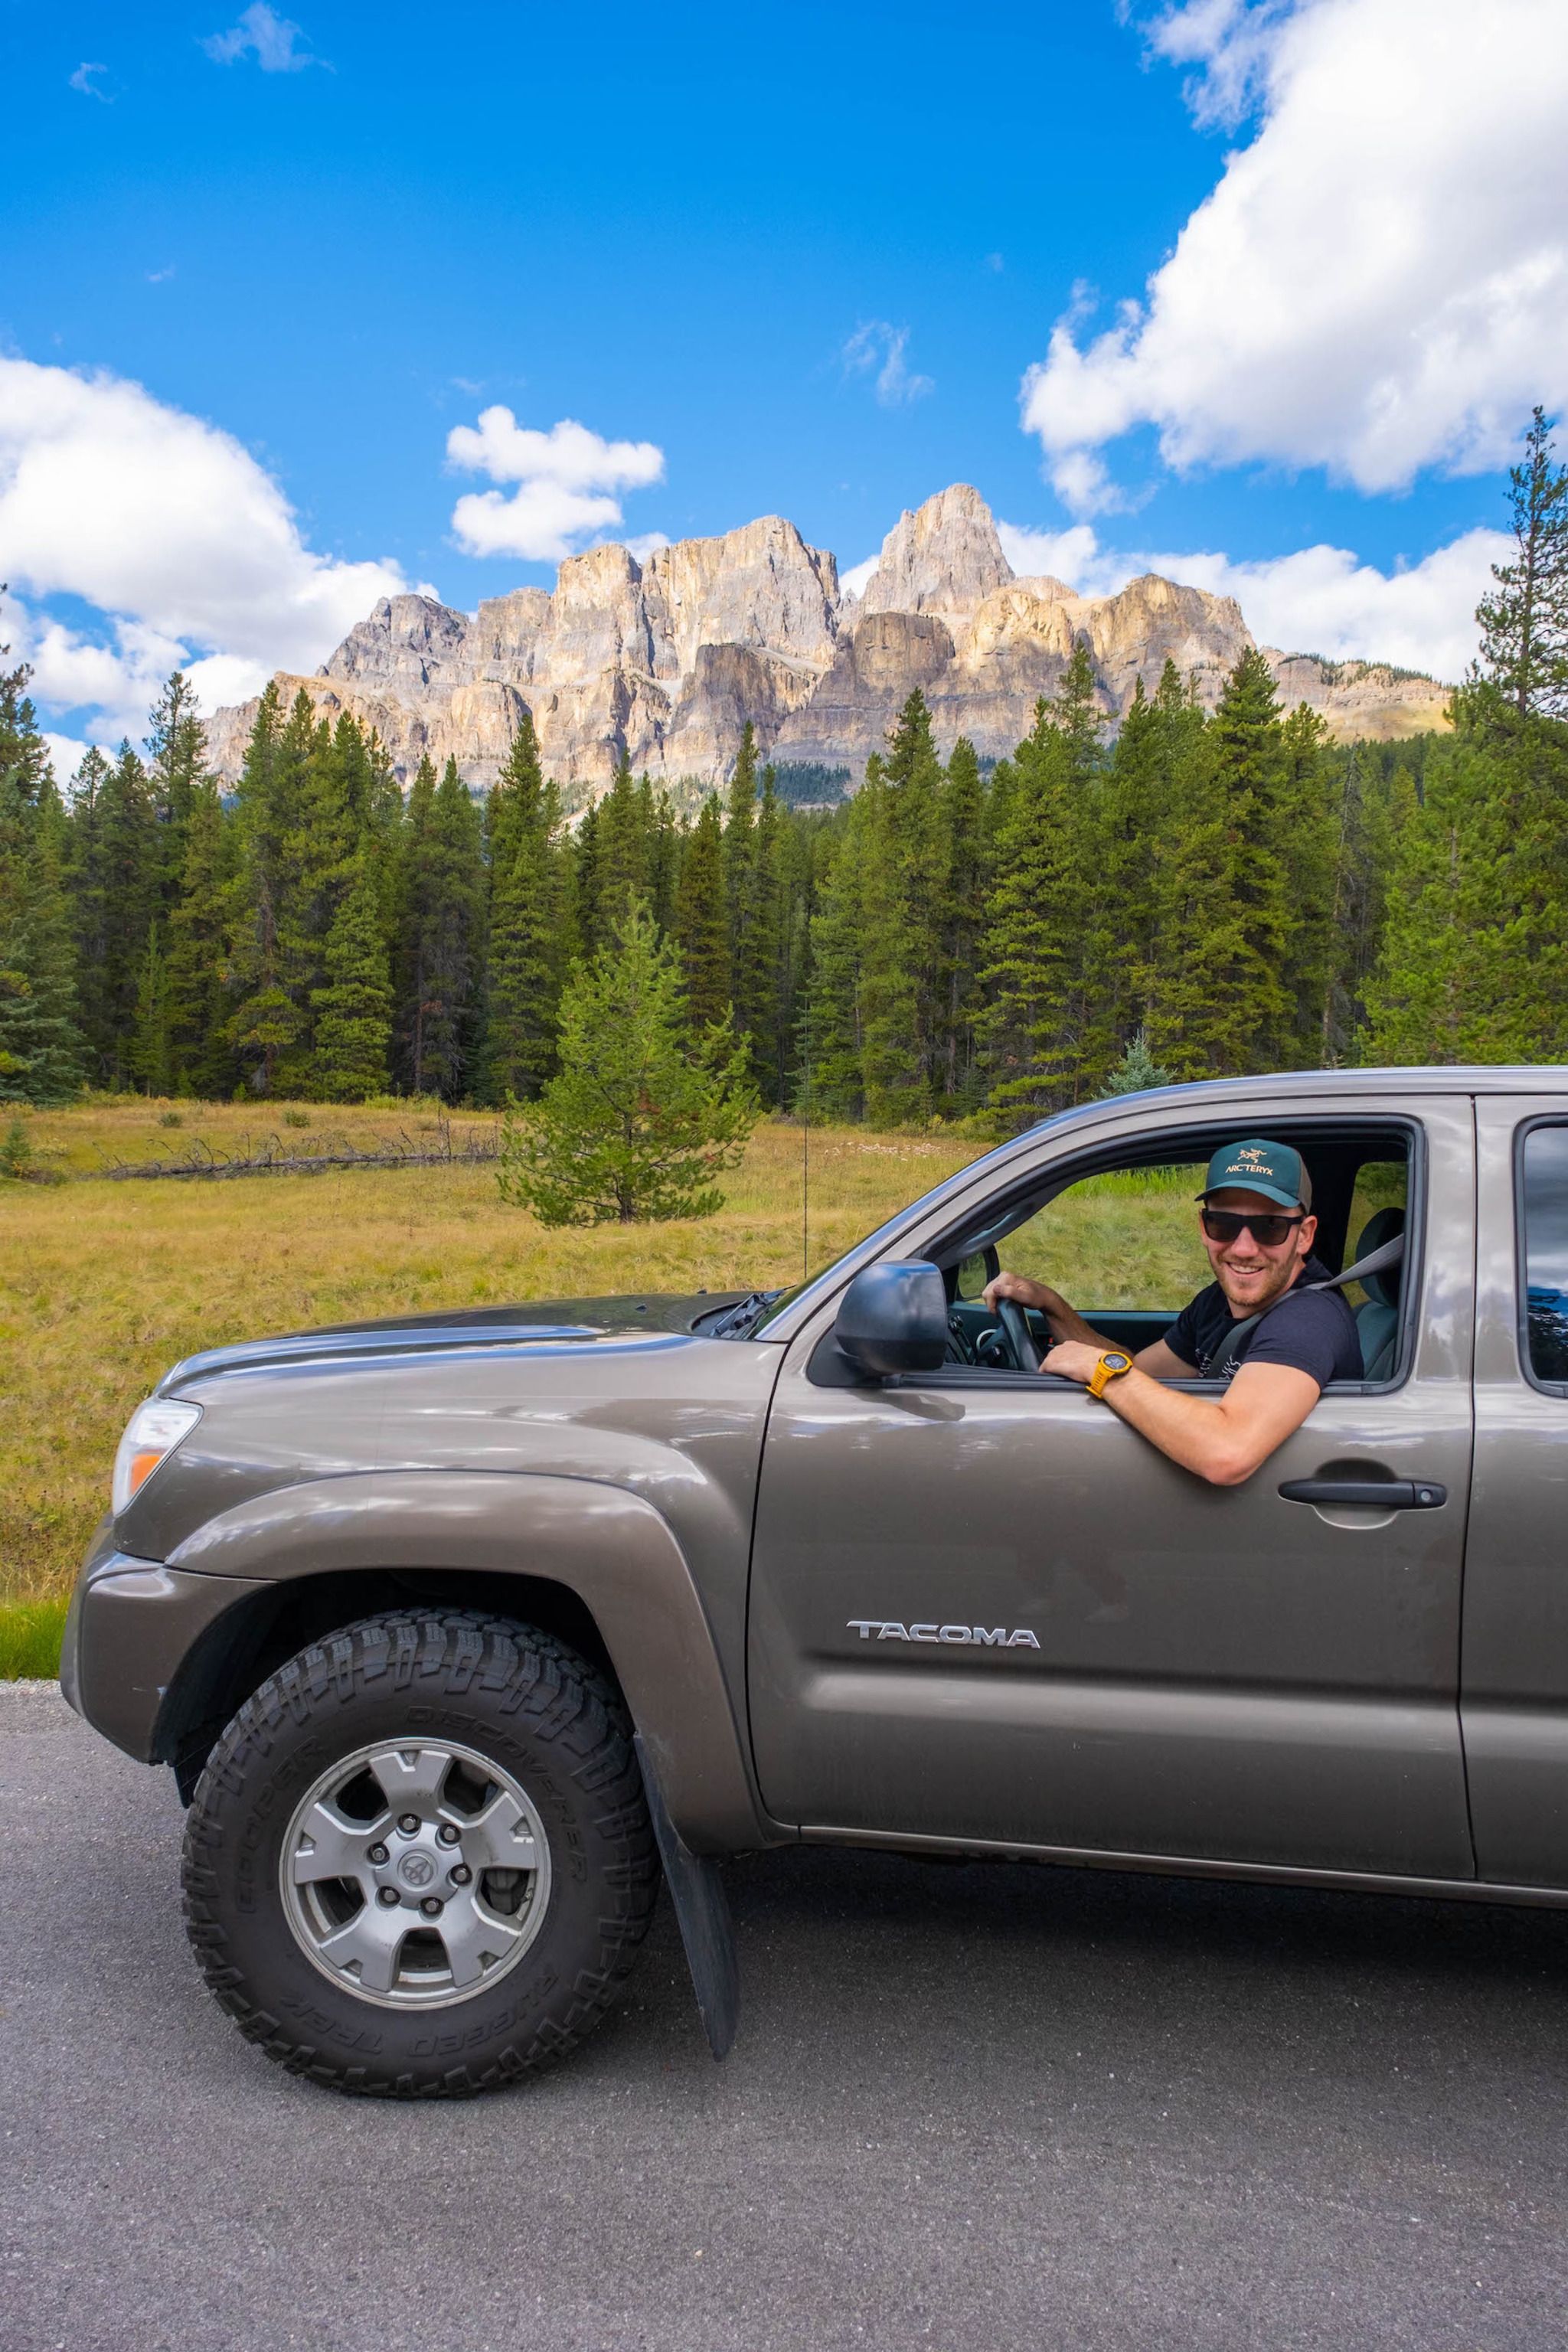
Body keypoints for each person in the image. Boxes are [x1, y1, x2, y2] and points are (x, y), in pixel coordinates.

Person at [982, 1138, 1362, 1487]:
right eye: (1224, 1224)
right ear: (1203, 1227)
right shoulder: (1216, 1302)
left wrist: (1102, 1371)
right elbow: (1139, 1371)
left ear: (1305, 1235)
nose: (1244, 1248)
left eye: (1270, 1227)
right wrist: (1052, 1304)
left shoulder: (1308, 1321)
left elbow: (1228, 1452)